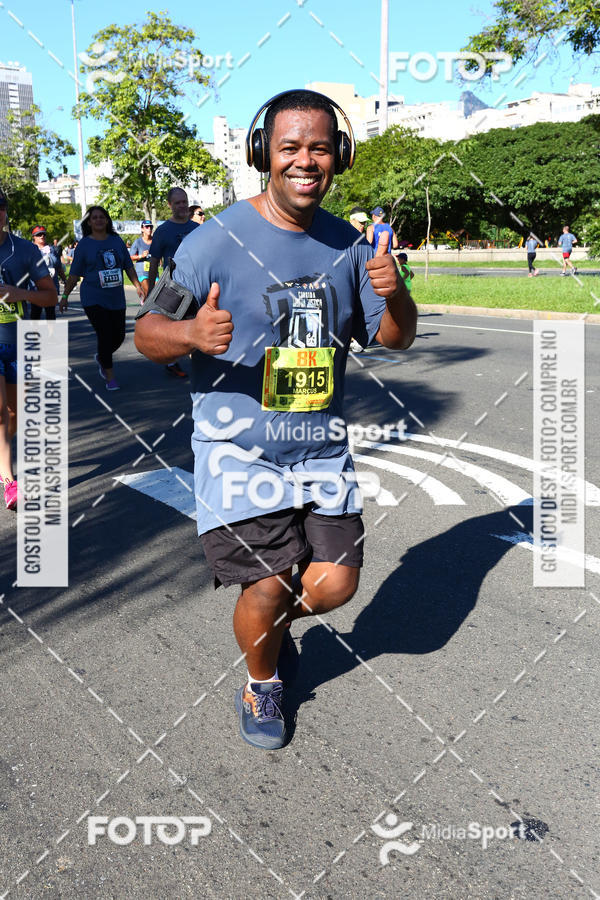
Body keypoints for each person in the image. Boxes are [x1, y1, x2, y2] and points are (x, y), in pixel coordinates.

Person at [135, 89, 417, 751]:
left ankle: (268, 627)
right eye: (290, 147)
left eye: (320, 147)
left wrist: (395, 289)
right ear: (264, 152)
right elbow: (148, 331)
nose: (305, 161)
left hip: (319, 449)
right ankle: (263, 679)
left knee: (334, 586)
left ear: (339, 155)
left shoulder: (348, 245)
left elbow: (395, 338)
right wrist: (191, 336)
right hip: (238, 452)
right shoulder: (213, 241)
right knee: (267, 582)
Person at [0, 191, 58, 509]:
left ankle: (1, 459)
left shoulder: (22, 250)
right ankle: (10, 482)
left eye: (1, 208)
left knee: (14, 415)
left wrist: (17, 293)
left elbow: (49, 296)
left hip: (18, 341)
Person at [59, 205, 144, 391]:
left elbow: (128, 265)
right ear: (89, 222)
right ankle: (110, 377)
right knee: (105, 334)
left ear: (107, 220)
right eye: (94, 218)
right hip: (93, 297)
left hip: (116, 298)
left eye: (101, 217)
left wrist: (137, 285)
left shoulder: (116, 241)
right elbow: (74, 274)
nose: (98, 220)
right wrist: (65, 295)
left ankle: (102, 357)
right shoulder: (84, 245)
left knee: (119, 335)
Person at [147, 187, 199, 378]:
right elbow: (153, 262)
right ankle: (172, 362)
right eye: (177, 203)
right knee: (171, 329)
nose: (182, 206)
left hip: (196, 288)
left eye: (184, 201)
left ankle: (197, 367)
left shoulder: (196, 229)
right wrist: (151, 290)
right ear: (170, 205)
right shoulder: (162, 231)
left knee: (195, 326)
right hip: (171, 288)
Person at [30, 225, 66, 318]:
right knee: (35, 315)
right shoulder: (29, 249)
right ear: (33, 237)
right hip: (36, 288)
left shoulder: (52, 250)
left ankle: (50, 333)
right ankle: (34, 333)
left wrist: (65, 281)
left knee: (51, 315)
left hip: (51, 286)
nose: (42, 236)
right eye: (38, 235)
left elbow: (58, 267)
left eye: (43, 234)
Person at [129, 220, 154, 299]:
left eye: (151, 227)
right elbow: (130, 257)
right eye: (147, 227)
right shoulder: (138, 242)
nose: (149, 229)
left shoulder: (155, 241)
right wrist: (141, 256)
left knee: (157, 293)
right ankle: (146, 308)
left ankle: (148, 305)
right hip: (142, 272)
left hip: (153, 271)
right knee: (148, 293)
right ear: (142, 229)